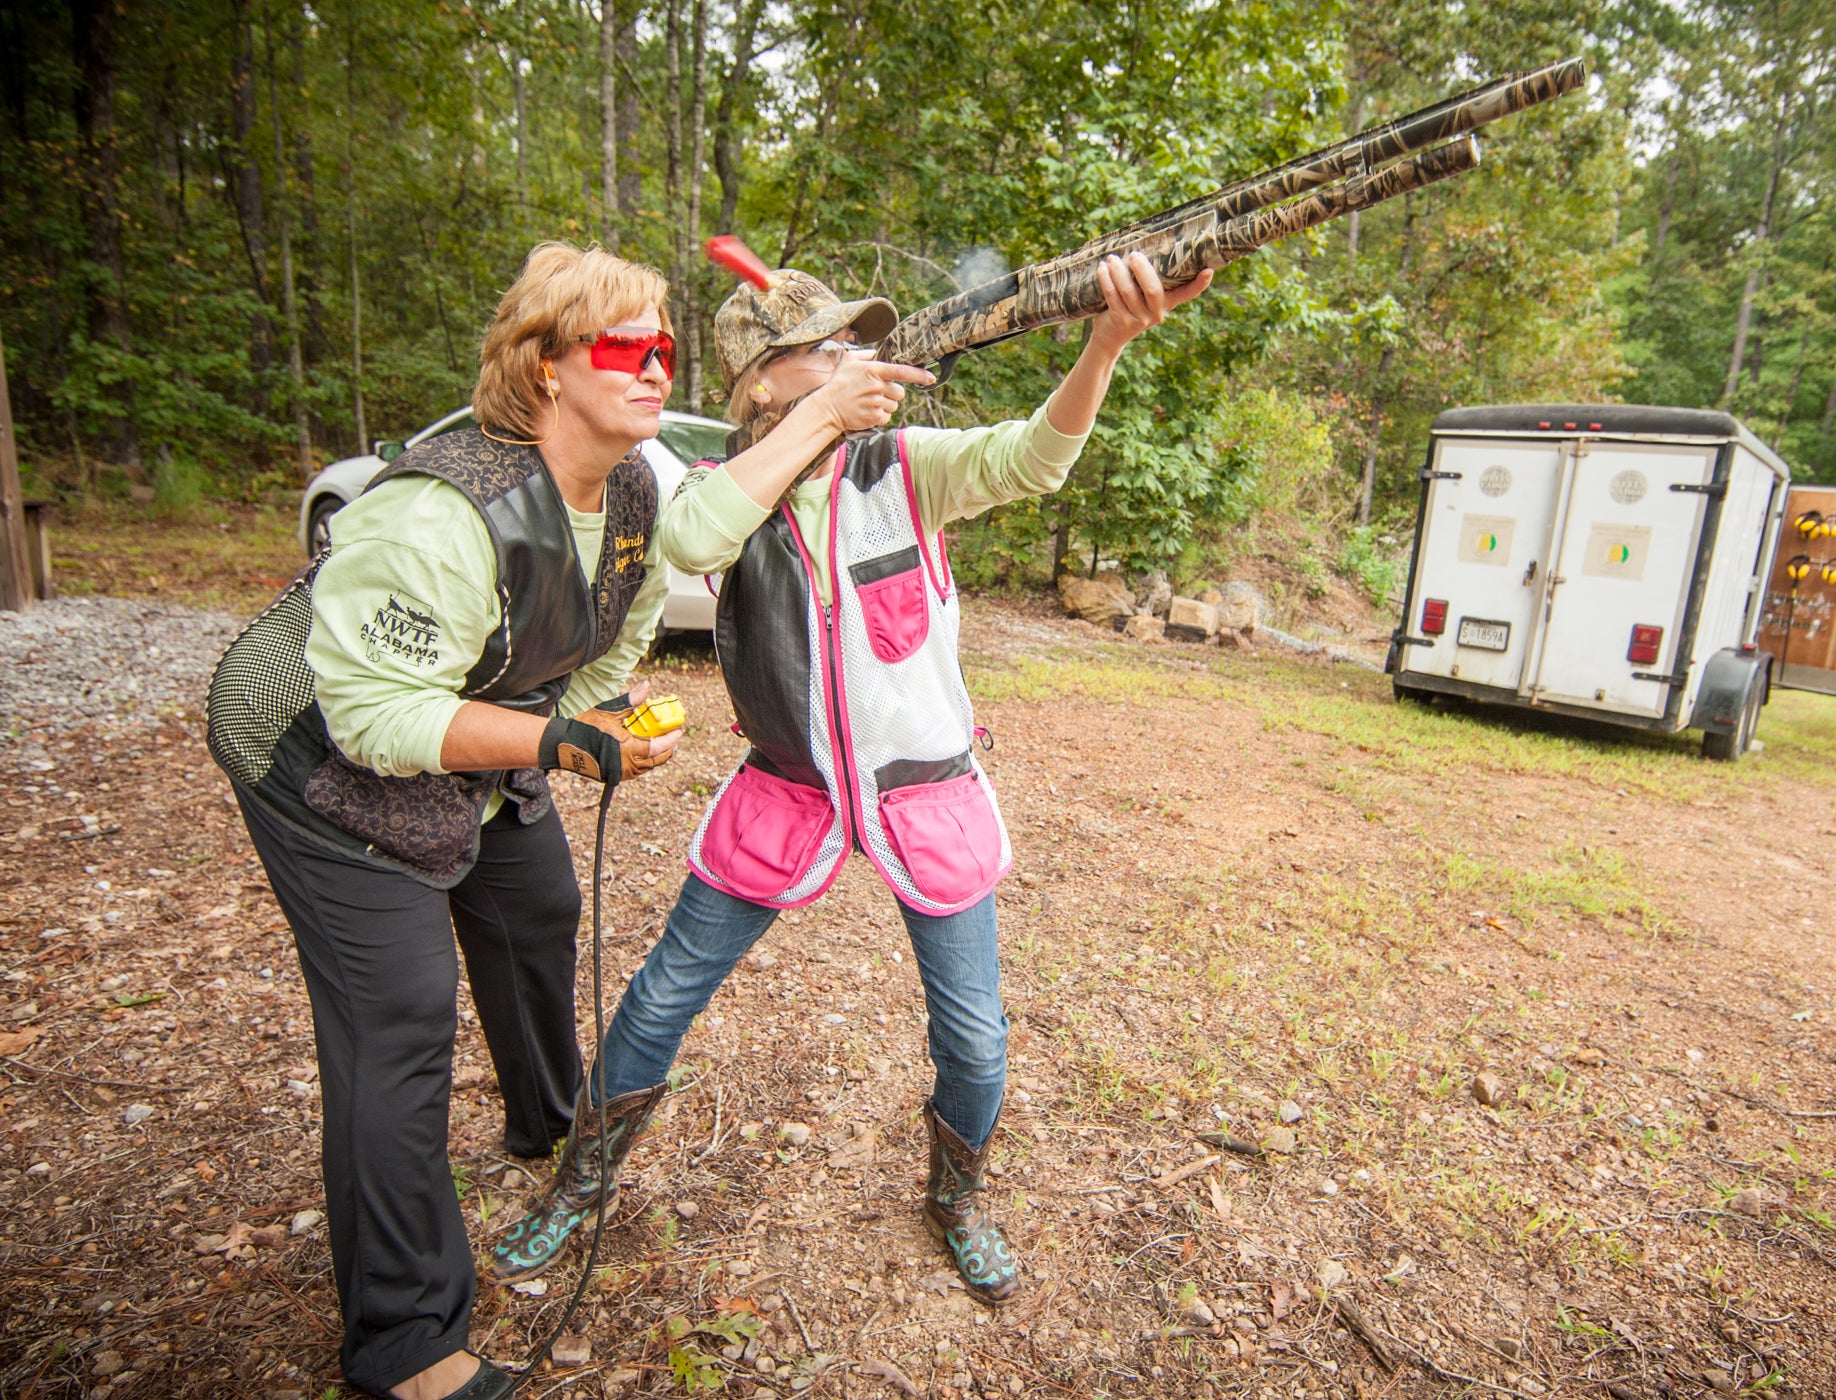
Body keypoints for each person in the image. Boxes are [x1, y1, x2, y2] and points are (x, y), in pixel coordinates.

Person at [489, 250, 1210, 1304]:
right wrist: (820, 416)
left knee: (973, 1032)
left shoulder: (903, 467)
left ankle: (958, 1196)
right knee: (660, 998)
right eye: (824, 349)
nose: (855, 360)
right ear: (762, 384)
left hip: (928, 795)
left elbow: (1034, 461)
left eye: (853, 346)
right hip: (786, 793)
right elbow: (693, 537)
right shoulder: (715, 487)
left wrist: (1104, 342)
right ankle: (579, 1186)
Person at [202, 243, 739, 1400]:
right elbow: (374, 715)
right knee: (397, 1016)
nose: (655, 365)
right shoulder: (435, 511)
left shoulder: (634, 488)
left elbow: (613, 635)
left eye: (666, 346)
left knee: (536, 904)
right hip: (313, 748)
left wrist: (591, 724)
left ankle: (549, 1123)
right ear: (546, 366)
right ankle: (401, 1343)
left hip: (474, 721)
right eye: (623, 345)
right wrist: (552, 742)